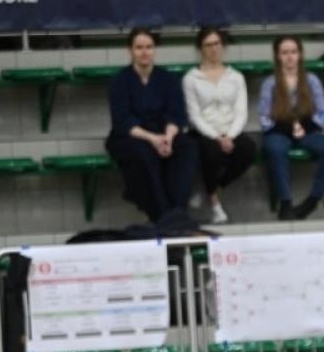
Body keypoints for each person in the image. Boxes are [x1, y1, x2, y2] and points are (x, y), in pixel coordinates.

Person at [105, 27, 198, 223]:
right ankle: (161, 214)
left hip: (164, 133)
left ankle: (178, 209)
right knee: (143, 154)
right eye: (139, 47)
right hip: (131, 136)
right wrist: (153, 139)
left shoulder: (168, 79)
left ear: (155, 50)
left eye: (149, 47)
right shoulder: (119, 81)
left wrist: (168, 138)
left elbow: (177, 115)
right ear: (130, 51)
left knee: (187, 147)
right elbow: (122, 120)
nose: (144, 52)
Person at [181, 27, 258, 226]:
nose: (213, 49)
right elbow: (194, 115)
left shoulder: (236, 77)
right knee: (210, 151)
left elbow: (241, 112)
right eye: (208, 45)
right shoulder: (191, 78)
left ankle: (211, 190)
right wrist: (217, 137)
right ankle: (215, 205)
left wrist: (230, 136)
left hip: (231, 130)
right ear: (200, 49)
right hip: (204, 131)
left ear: (223, 46)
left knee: (249, 149)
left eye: (217, 44)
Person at [258, 34, 324, 221]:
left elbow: (323, 113)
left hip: (308, 131)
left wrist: (304, 127)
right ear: (278, 56)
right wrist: (288, 128)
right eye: (284, 52)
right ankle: (286, 203)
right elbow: (264, 119)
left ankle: (312, 201)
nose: (289, 57)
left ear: (300, 55)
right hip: (279, 132)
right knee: (275, 149)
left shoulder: (312, 80)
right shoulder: (270, 83)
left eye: (294, 52)